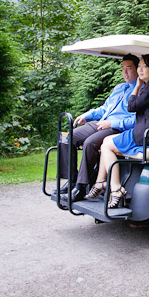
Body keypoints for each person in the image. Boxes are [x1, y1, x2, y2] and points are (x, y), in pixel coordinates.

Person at [89, 54, 149, 208]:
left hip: (147, 134)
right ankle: (101, 183)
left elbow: (131, 106)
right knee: (106, 143)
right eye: (139, 66)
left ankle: (114, 188)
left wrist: (136, 87)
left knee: (106, 146)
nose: (140, 70)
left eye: (144, 66)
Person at [58, 54, 138, 202]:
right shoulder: (119, 88)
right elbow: (105, 108)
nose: (125, 73)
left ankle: (81, 187)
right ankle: (72, 180)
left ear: (138, 70)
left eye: (129, 68)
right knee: (68, 136)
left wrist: (111, 124)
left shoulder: (140, 90)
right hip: (102, 122)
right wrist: (87, 115)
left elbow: (136, 119)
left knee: (90, 143)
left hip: (117, 127)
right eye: (123, 69)